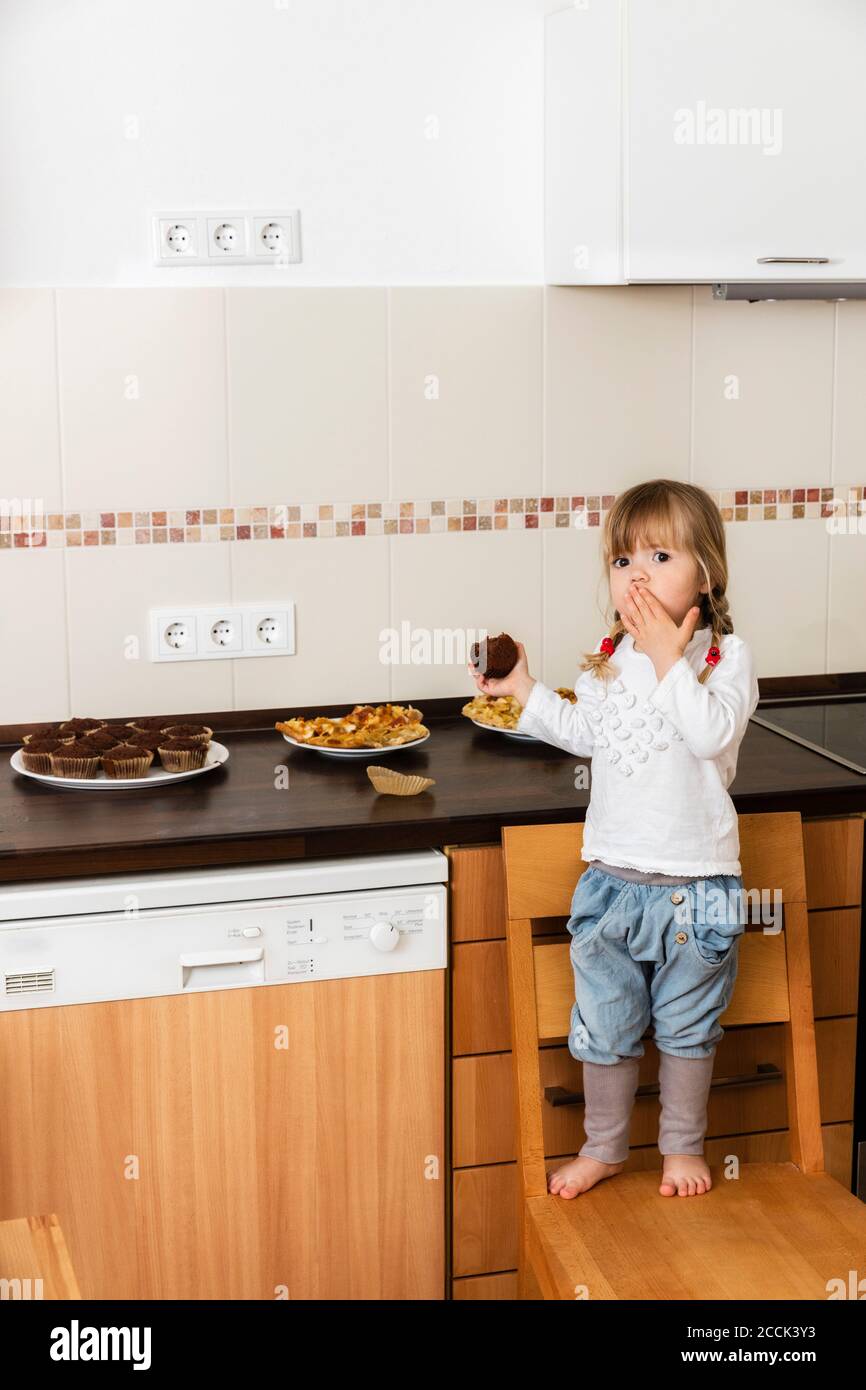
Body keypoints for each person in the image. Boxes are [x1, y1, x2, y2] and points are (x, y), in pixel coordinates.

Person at [467, 479, 759, 1198]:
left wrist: (667, 656)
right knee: (604, 1024)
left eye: (659, 555)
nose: (636, 573)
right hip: (611, 884)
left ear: (707, 572)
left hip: (696, 889)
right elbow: (583, 731)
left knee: (687, 1030)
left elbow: (710, 733)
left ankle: (683, 1148)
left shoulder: (725, 659)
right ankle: (604, 1147)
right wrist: (526, 689)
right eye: (622, 560)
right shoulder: (608, 658)